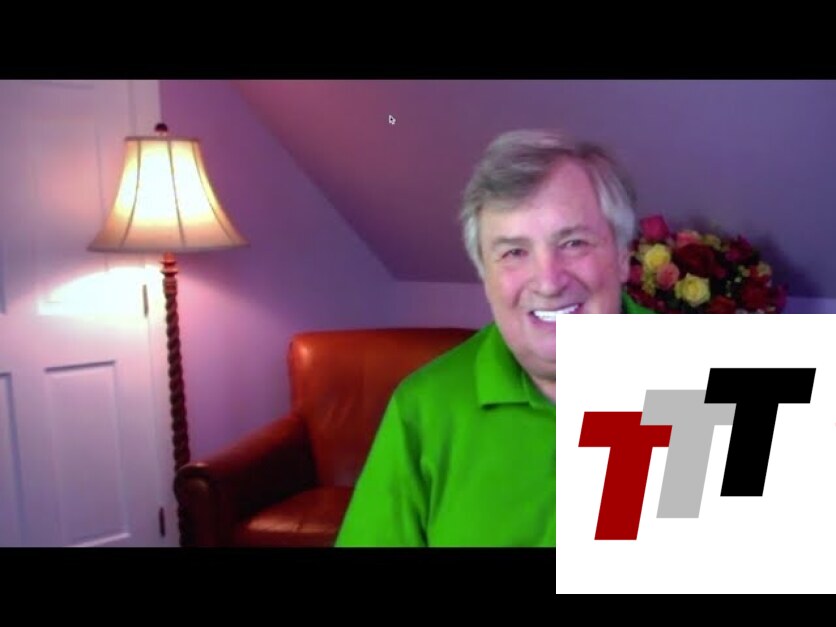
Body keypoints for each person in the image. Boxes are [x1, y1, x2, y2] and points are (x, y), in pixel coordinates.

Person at [335, 129, 652, 548]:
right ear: (485, 275)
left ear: (623, 257)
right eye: (514, 252)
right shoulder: (423, 408)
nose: (548, 281)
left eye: (574, 243)